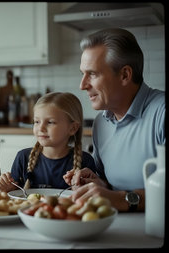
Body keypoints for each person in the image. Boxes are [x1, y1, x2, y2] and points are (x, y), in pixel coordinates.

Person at [64, 28, 165, 212]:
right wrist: (96, 183)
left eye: (92, 74)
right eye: (82, 73)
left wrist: (122, 200)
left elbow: (118, 198)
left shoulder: (162, 113)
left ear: (125, 75)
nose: (82, 85)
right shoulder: (101, 123)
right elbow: (109, 187)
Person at [0, 92, 98, 192]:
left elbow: (91, 198)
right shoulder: (22, 158)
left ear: (73, 128)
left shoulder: (86, 161)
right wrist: (5, 188)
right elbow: (12, 196)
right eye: (37, 122)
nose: (41, 128)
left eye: (50, 122)